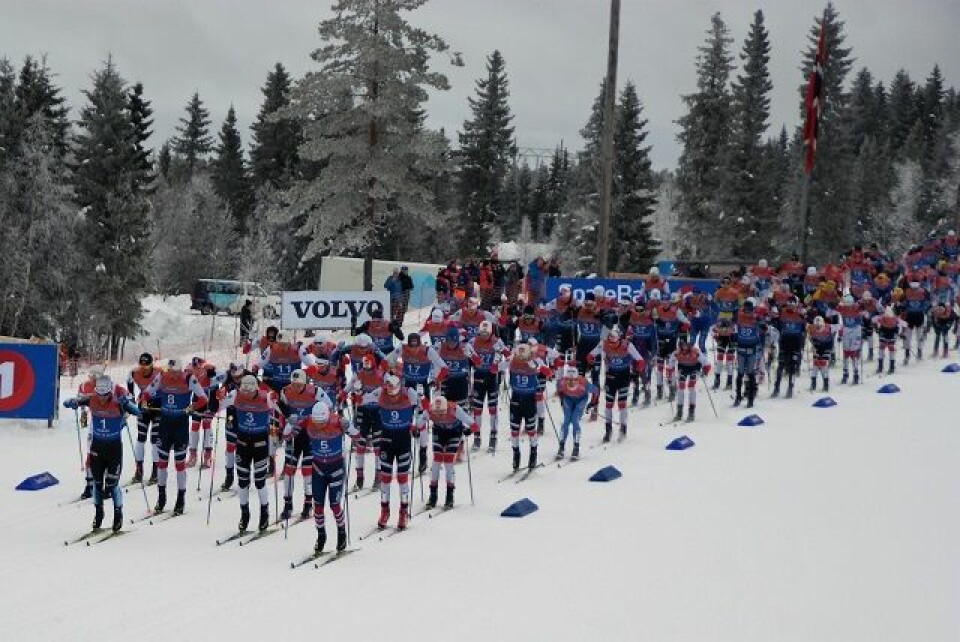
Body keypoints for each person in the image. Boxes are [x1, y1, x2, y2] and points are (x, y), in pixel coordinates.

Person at [64, 375, 140, 532]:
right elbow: (72, 401)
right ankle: (99, 513)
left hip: (113, 449)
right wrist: (71, 403)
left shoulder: (118, 402)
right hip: (97, 448)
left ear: (110, 392)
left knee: (112, 484)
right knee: (97, 485)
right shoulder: (91, 399)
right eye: (99, 394)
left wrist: (128, 405)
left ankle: (118, 514)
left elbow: (138, 412)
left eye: (105, 395)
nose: (102, 398)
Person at [286, 402, 358, 553]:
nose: (319, 426)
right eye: (316, 422)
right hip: (318, 468)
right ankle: (321, 535)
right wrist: (289, 423)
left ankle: (341, 533)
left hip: (336, 468)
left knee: (334, 504)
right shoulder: (308, 420)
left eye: (322, 422)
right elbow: (287, 436)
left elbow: (357, 437)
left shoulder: (337, 420)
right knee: (317, 505)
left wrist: (349, 426)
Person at [140, 359, 209, 515]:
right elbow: (147, 391)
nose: (172, 375)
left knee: (179, 464)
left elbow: (204, 398)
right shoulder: (161, 376)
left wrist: (192, 407)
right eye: (170, 372)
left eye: (175, 373)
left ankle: (180, 498)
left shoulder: (189, 378)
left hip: (180, 425)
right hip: (165, 424)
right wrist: (144, 401)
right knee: (162, 463)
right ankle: (161, 497)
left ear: (180, 371)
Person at [219, 374, 281, 532]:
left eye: (249, 391)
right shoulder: (235, 394)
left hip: (260, 444)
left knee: (259, 481)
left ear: (256, 388)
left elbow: (283, 409)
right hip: (242, 443)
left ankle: (264, 513)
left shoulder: (265, 397)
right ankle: (245, 514)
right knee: (242, 482)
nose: (246, 394)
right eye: (243, 390)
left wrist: (279, 402)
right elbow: (217, 406)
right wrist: (217, 397)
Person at [278, 369, 332, 521]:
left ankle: (308, 504)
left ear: (305, 383)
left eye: (299, 385)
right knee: (289, 470)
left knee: (307, 471)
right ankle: (287, 504)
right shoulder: (285, 391)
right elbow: (281, 409)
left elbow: (329, 406)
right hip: (293, 435)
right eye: (294, 384)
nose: (296, 387)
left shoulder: (315, 391)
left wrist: (313, 420)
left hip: (310, 435)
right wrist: (287, 422)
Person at [374, 373, 420, 530]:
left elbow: (421, 409)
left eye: (393, 389)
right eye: (388, 388)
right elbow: (364, 399)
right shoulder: (381, 393)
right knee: (385, 479)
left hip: (403, 440)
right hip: (386, 441)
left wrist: (416, 426)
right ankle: (384, 511)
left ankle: (403, 512)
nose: (390, 392)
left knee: (402, 478)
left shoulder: (409, 393)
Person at [588, 326, 644, 441]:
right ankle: (608, 429)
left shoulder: (627, 345)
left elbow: (640, 360)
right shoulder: (604, 343)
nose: (611, 346)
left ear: (619, 340)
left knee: (622, 403)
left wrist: (637, 373)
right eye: (609, 342)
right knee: (608, 404)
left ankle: (623, 428)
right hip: (610, 377)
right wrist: (591, 361)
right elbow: (591, 355)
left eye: (614, 343)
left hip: (624, 377)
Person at [501, 343, 551, 471]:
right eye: (520, 356)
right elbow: (495, 368)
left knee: (530, 430)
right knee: (514, 430)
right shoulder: (513, 359)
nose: (522, 359)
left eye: (524, 356)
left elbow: (549, 372)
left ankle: (533, 453)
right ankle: (516, 454)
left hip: (529, 399)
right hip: (516, 399)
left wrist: (536, 367)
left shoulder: (535, 359)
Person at [424, 396, 477, 509]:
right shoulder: (430, 409)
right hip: (439, 432)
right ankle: (433, 495)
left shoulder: (454, 409)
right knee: (436, 461)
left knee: (448, 461)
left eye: (442, 412)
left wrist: (470, 430)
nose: (440, 416)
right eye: (437, 413)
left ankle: (450, 495)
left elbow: (473, 423)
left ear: (446, 408)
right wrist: (415, 429)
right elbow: (419, 421)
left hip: (454, 433)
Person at [468, 320, 506, 452]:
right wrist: (471, 358)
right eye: (482, 333)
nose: (484, 336)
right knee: (477, 409)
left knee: (492, 409)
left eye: (487, 333)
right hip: (478, 377)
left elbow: (510, 355)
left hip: (492, 378)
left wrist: (499, 366)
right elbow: (465, 350)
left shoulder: (496, 341)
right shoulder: (473, 341)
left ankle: (493, 437)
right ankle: (477, 437)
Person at [126, 354, 160, 484]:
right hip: (143, 406)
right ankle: (139, 471)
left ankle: (155, 472)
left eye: (146, 366)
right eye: (142, 366)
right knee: (141, 438)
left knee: (154, 440)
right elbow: (129, 384)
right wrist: (132, 400)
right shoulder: (134, 372)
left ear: (151, 365)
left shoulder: (159, 372)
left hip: (158, 408)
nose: (144, 369)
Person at [556, 366, 595, 460]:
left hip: (581, 400)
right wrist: (561, 398)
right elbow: (559, 389)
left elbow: (595, 391)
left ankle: (576, 447)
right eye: (568, 379)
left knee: (574, 420)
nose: (571, 382)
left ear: (577, 378)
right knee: (566, 421)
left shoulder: (583, 382)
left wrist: (593, 403)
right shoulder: (562, 382)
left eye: (574, 380)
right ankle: (561, 446)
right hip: (568, 400)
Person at [668, 338, 710, 422]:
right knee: (681, 387)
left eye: (686, 346)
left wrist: (705, 372)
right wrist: (670, 376)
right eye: (682, 346)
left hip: (695, 369)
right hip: (683, 369)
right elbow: (670, 365)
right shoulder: (676, 353)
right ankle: (679, 413)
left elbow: (706, 363)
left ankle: (691, 412)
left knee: (691, 387)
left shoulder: (695, 352)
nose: (684, 349)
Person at [808, 316, 838, 392]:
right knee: (815, 367)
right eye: (816, 325)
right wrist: (812, 345)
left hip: (826, 349)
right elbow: (810, 337)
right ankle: (813, 384)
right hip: (817, 349)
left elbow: (838, 328)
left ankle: (826, 385)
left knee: (824, 367)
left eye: (819, 325)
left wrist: (830, 350)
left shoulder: (828, 327)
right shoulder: (811, 328)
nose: (817, 327)